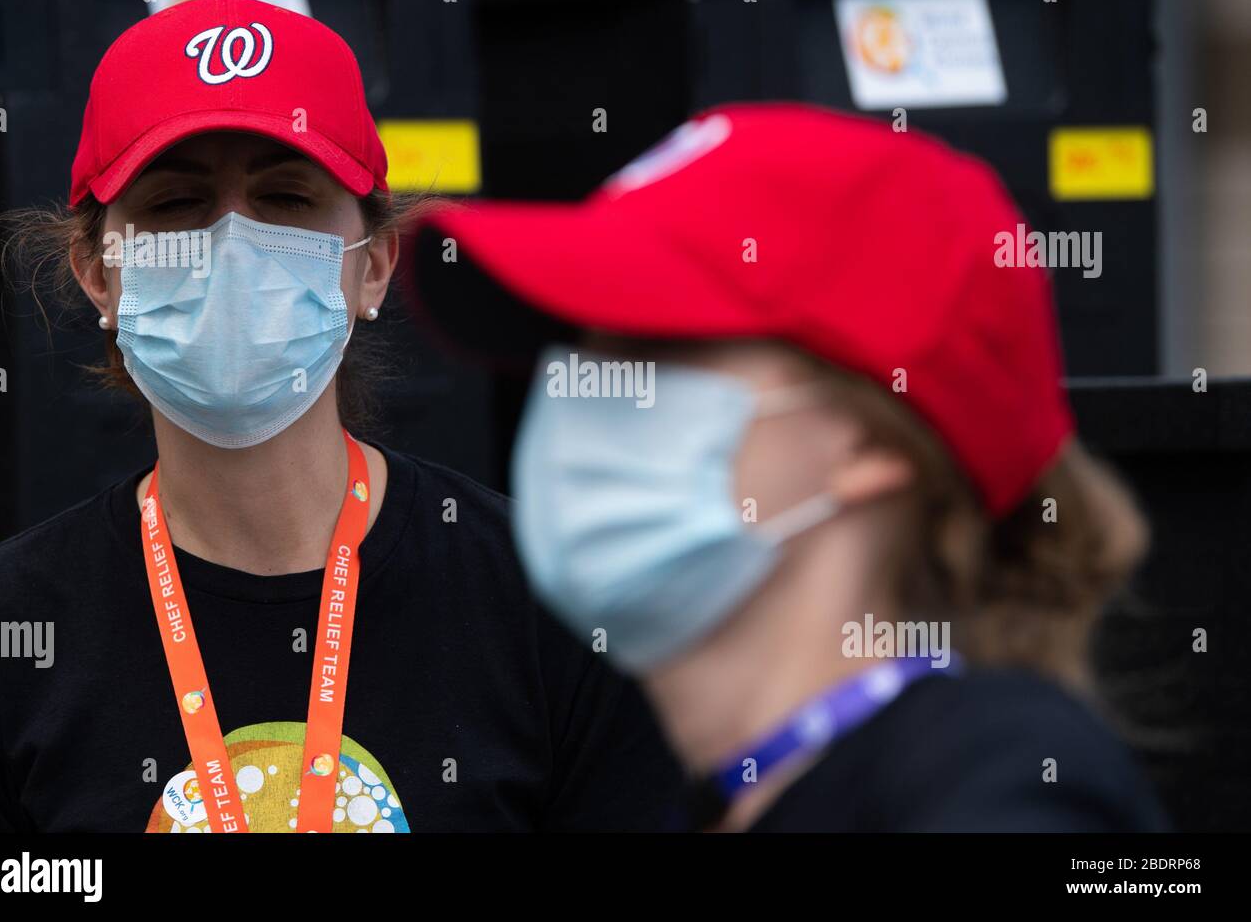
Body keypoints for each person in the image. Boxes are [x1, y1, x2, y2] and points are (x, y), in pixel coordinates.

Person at [0, 0, 683, 832]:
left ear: (374, 264)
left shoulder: (555, 607)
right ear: (97, 272)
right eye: (176, 203)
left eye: (288, 200)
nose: (233, 241)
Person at [409, 103, 1171, 831]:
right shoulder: (747, 793)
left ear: (875, 443)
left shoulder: (994, 776)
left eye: (659, 343)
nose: (583, 385)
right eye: (582, 340)